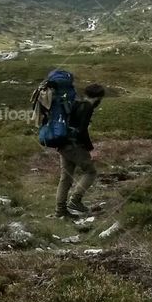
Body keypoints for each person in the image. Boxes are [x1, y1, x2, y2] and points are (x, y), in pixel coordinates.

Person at [56, 82, 106, 218]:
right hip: (74, 146)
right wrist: (91, 149)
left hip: (62, 144)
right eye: (100, 98)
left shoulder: (74, 103)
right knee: (90, 172)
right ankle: (75, 200)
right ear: (97, 97)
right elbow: (82, 131)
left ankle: (60, 210)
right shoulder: (87, 107)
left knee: (65, 177)